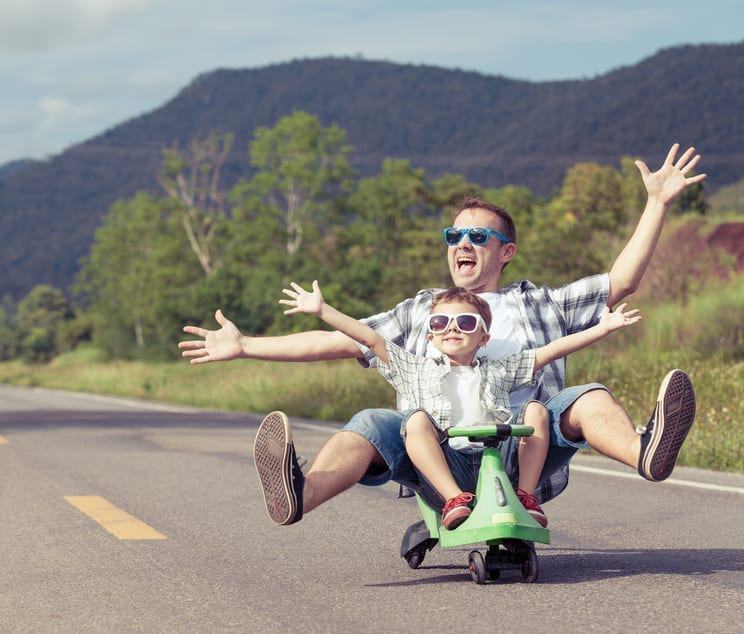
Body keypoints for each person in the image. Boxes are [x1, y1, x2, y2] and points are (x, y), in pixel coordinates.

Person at [180, 143, 703, 527]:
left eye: (479, 235)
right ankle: (298, 492)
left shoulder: (540, 302)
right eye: (454, 235)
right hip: (439, 456)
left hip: (526, 452)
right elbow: (345, 341)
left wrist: (656, 204)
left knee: (587, 397)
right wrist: (246, 345)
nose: (463, 243)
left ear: (506, 251)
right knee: (370, 422)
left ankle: (645, 452)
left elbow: (622, 282)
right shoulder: (423, 311)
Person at [279, 280, 641, 529]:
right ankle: (454, 501)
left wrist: (602, 328)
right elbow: (370, 339)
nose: (453, 328)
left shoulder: (500, 370)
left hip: (500, 463)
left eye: (465, 322)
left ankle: (527, 497)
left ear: (484, 337)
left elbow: (550, 352)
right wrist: (323, 310)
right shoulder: (415, 368)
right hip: (446, 468)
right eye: (441, 322)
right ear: (431, 335)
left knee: (535, 409)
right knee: (417, 420)